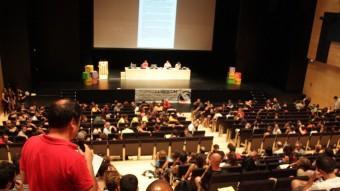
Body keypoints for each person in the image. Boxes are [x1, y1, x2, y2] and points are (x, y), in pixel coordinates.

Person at [20, 99, 97, 191]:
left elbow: (24, 184)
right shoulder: (75, 158)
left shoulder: (30, 143)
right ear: (72, 122)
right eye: (79, 121)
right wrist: (88, 161)